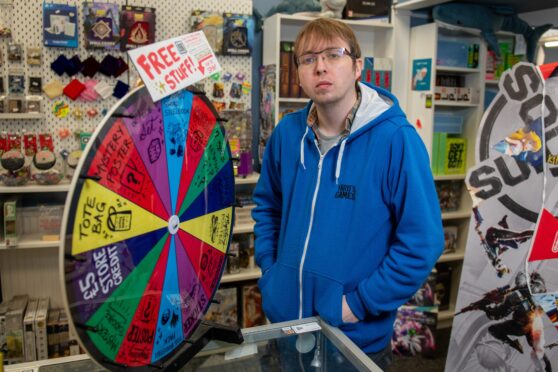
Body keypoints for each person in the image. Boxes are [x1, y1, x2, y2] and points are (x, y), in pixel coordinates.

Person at [252, 17, 444, 370]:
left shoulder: (396, 140)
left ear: (358, 67)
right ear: (298, 72)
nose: (320, 66)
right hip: (284, 331)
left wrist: (358, 304)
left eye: (333, 55)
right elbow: (268, 207)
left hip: (351, 342)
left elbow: (423, 242)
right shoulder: (286, 134)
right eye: (308, 59)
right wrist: (271, 270)